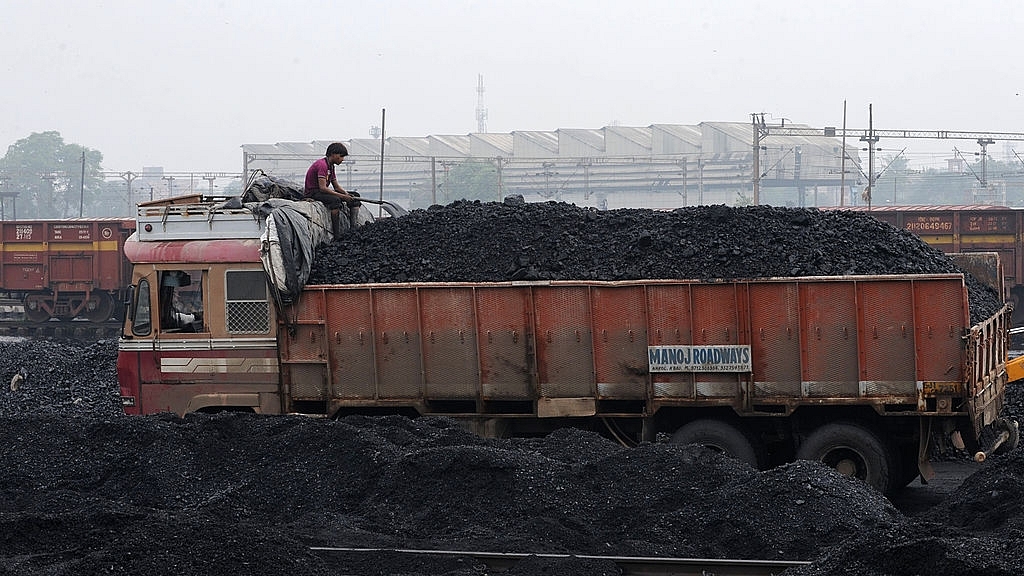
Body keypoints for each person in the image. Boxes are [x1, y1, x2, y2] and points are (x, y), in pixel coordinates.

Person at [304, 142, 360, 235]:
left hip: (322, 191)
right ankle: (336, 234)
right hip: (314, 192)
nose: (342, 159)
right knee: (335, 200)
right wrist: (343, 197)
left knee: (355, 196)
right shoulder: (322, 165)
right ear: (333, 154)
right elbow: (323, 188)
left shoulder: (331, 167)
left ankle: (354, 228)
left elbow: (336, 187)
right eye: (341, 156)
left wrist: (346, 194)